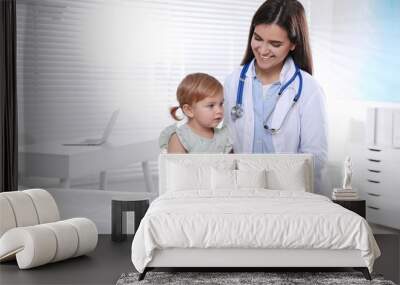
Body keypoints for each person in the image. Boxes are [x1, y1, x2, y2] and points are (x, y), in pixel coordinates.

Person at [223, 0, 327, 192]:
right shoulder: (233, 82)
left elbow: (315, 158)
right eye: (258, 38)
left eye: (275, 43)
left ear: (293, 44)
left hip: (289, 193)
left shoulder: (308, 89)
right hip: (242, 191)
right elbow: (225, 144)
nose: (262, 50)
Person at [159, 73, 233, 153]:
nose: (219, 110)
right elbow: (174, 165)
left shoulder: (223, 137)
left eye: (221, 104)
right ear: (189, 111)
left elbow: (232, 162)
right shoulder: (180, 138)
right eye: (211, 105)